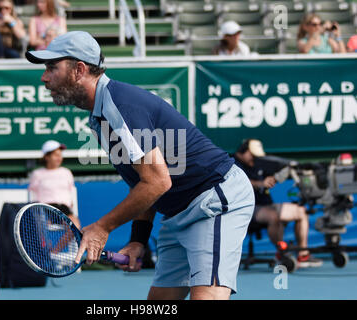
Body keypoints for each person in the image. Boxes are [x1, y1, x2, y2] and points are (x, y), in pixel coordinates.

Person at [25, 31, 255, 300]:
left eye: (52, 67)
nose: (44, 77)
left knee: (207, 297)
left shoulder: (119, 106)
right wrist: (138, 239)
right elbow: (142, 183)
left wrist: (102, 228)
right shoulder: (100, 116)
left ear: (79, 70)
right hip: (178, 213)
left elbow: (158, 182)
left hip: (214, 202)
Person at [233, 139, 323, 268]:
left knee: (301, 211)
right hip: (245, 209)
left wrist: (282, 174)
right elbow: (240, 182)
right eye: (252, 155)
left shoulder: (259, 163)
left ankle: (303, 254)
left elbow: (276, 174)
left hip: (267, 205)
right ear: (244, 151)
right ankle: (282, 252)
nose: (254, 159)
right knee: (273, 216)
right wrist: (260, 184)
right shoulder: (232, 164)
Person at [28, 140, 81, 229]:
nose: (59, 158)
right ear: (47, 157)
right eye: (56, 155)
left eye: (60, 155)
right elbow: (33, 196)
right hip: (44, 210)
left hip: (64, 209)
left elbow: (70, 194)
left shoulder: (66, 172)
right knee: (40, 229)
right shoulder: (37, 174)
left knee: (75, 226)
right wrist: (40, 215)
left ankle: (59, 244)